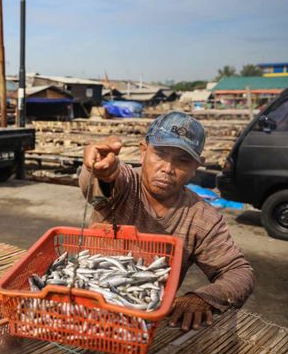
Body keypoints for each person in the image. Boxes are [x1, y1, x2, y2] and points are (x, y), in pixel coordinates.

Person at [80, 111, 255, 332]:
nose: (168, 169)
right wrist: (101, 173)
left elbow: (240, 272)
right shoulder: (124, 183)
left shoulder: (203, 218)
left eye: (183, 160)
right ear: (143, 152)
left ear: (196, 167)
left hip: (145, 320)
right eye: (160, 154)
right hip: (88, 309)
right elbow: (94, 186)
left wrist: (203, 297)